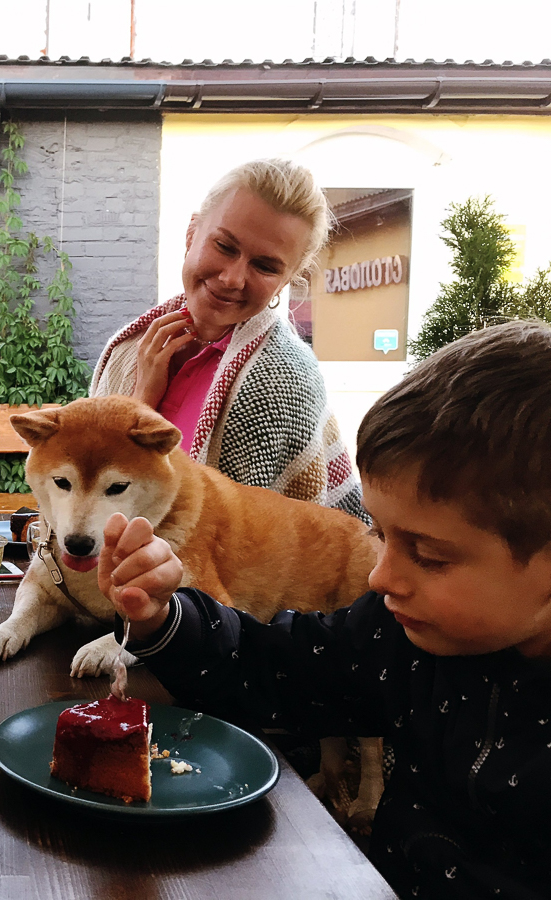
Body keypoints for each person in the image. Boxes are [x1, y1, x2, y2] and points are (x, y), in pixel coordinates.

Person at [97, 320, 551, 899]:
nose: (380, 575)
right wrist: (164, 618)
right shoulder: (396, 638)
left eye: (430, 556)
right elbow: (267, 665)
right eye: (382, 536)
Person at [91, 158, 367, 522]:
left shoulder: (283, 379)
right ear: (192, 234)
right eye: (224, 246)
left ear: (286, 281)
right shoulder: (131, 349)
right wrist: (142, 400)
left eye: (265, 267)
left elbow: (234, 543)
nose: (233, 278)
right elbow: (91, 491)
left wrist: (139, 414)